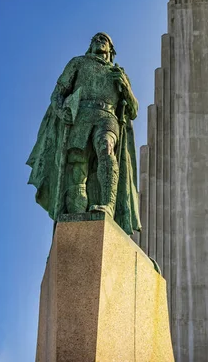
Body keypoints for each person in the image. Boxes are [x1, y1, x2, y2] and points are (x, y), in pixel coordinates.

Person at [27, 32, 141, 235]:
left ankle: (108, 205)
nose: (99, 41)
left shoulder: (118, 73)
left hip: (107, 116)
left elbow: (133, 110)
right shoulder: (78, 63)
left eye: (103, 39)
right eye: (95, 39)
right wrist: (63, 112)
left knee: (106, 148)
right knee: (77, 166)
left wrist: (124, 87)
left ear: (110, 49)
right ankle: (76, 216)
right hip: (81, 116)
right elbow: (58, 94)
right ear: (90, 46)